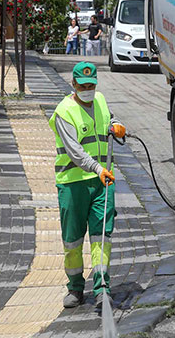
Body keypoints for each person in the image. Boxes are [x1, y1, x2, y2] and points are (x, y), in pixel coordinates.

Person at [48, 62, 126, 308]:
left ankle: (102, 287)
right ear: (73, 84)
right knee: (72, 239)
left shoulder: (100, 100)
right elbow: (75, 151)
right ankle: (75, 288)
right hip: (73, 184)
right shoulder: (64, 111)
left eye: (91, 85)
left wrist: (116, 125)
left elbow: (108, 119)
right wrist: (97, 169)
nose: (88, 90)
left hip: (102, 182)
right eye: (83, 86)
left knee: (102, 235)